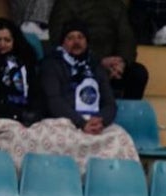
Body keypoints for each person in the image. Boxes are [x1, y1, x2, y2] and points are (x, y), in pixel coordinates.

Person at [33, 19, 139, 169]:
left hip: (96, 124)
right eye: (70, 38)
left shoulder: (95, 65)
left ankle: (111, 183)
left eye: (80, 37)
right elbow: (54, 101)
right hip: (65, 123)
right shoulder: (51, 64)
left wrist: (100, 120)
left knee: (122, 139)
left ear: (87, 42)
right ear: (62, 43)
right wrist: (81, 123)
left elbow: (110, 103)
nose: (76, 42)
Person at [49, 0, 149, 100]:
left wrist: (121, 61)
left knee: (138, 73)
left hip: (112, 66)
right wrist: (97, 61)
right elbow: (60, 40)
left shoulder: (116, 4)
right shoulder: (66, 3)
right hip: (80, 64)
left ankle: (129, 114)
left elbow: (127, 38)